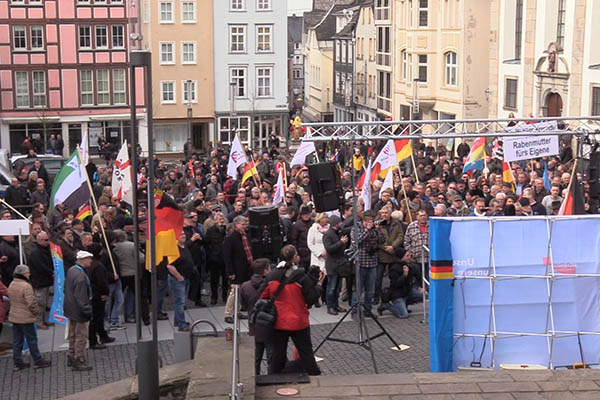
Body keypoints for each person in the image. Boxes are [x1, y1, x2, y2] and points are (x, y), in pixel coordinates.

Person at [258, 245, 324, 376]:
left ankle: (275, 378)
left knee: (278, 353)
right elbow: (310, 298)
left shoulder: (271, 276)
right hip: (298, 321)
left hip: (279, 321)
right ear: (294, 258)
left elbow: (262, 296)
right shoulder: (301, 276)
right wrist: (319, 284)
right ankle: (315, 376)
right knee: (306, 352)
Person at [7, 265, 52, 371]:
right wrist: (36, 312)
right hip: (25, 318)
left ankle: (17, 362)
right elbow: (31, 303)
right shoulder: (26, 286)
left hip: (15, 317)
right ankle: (37, 360)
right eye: (27, 272)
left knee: (17, 340)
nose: (29, 274)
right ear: (23, 274)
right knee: (32, 339)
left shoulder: (12, 284)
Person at [240, 258, 272, 375]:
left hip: (254, 326)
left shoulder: (245, 286)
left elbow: (243, 305)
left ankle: (255, 378)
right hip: (269, 326)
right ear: (265, 271)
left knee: (256, 358)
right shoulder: (271, 285)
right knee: (271, 358)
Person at [64, 250, 94, 371]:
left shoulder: (71, 270)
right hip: (79, 311)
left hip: (70, 308)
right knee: (81, 335)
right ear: (83, 260)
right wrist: (87, 311)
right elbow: (82, 298)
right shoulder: (81, 277)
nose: (91, 261)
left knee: (72, 334)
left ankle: (71, 356)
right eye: (89, 259)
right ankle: (79, 359)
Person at [351, 210, 384, 318]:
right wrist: (367, 230)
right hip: (361, 263)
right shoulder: (356, 228)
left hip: (372, 262)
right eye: (370, 221)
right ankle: (355, 311)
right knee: (358, 289)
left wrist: (378, 231)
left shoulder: (374, 229)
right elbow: (356, 241)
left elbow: (382, 240)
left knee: (370, 290)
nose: (372, 223)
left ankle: (368, 310)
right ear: (365, 221)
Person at [223, 215, 252, 324]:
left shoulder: (245, 236)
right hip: (236, 270)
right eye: (243, 224)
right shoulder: (230, 239)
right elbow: (227, 257)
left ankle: (237, 310)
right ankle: (228, 313)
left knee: (241, 291)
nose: (245, 226)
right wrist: (231, 272)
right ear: (237, 225)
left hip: (245, 268)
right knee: (234, 292)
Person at [377, 249, 423, 318]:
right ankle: (387, 305)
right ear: (401, 257)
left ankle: (404, 305)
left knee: (423, 294)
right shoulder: (394, 268)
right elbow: (395, 284)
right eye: (407, 256)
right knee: (404, 315)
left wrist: (421, 287)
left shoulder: (409, 265)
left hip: (407, 291)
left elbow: (418, 276)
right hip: (397, 295)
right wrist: (404, 275)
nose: (409, 257)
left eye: (409, 255)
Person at [86, 243, 115, 349]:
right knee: (97, 317)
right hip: (97, 294)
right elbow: (102, 282)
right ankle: (94, 340)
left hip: (92, 293)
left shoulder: (89, 265)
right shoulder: (98, 266)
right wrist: (104, 293)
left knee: (97, 317)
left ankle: (102, 335)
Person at [374, 206, 404, 305]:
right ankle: (376, 297)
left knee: (394, 277)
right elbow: (375, 238)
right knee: (378, 278)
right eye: (382, 213)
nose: (384, 215)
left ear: (390, 213)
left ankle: (391, 296)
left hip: (393, 254)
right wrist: (386, 247)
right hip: (381, 254)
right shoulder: (377, 224)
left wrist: (393, 246)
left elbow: (400, 235)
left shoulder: (396, 223)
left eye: (386, 213)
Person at [167, 234, 195, 332]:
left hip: (186, 277)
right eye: (181, 234)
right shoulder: (174, 249)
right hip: (178, 280)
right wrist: (179, 277)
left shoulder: (184, 246)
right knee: (180, 302)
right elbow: (170, 266)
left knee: (182, 300)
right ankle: (181, 324)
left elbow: (189, 243)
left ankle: (177, 320)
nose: (183, 235)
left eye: (184, 234)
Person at [322, 215, 348, 315]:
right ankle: (330, 307)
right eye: (339, 222)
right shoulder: (328, 235)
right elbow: (329, 249)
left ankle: (336, 305)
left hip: (339, 264)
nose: (341, 224)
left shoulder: (337, 233)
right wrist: (341, 243)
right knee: (331, 288)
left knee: (337, 288)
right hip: (332, 265)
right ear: (335, 224)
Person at [27, 231, 54, 329]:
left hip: (45, 280)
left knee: (45, 302)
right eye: (46, 240)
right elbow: (40, 266)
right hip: (39, 281)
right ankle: (39, 321)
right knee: (40, 302)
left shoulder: (45, 250)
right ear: (40, 240)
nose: (48, 242)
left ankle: (43, 320)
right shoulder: (36, 252)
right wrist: (51, 272)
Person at [205, 212, 228, 305]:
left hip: (225, 259)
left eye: (222, 219)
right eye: (219, 219)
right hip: (214, 259)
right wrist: (210, 255)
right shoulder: (210, 230)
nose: (221, 221)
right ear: (215, 221)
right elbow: (206, 244)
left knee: (225, 280)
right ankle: (214, 297)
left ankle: (225, 297)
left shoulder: (226, 230)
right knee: (214, 280)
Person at [291, 205, 313, 270]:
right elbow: (294, 239)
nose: (306, 216)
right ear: (301, 215)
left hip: (312, 252)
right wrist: (297, 253)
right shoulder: (297, 225)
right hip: (302, 252)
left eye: (307, 214)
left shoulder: (313, 223)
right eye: (304, 214)